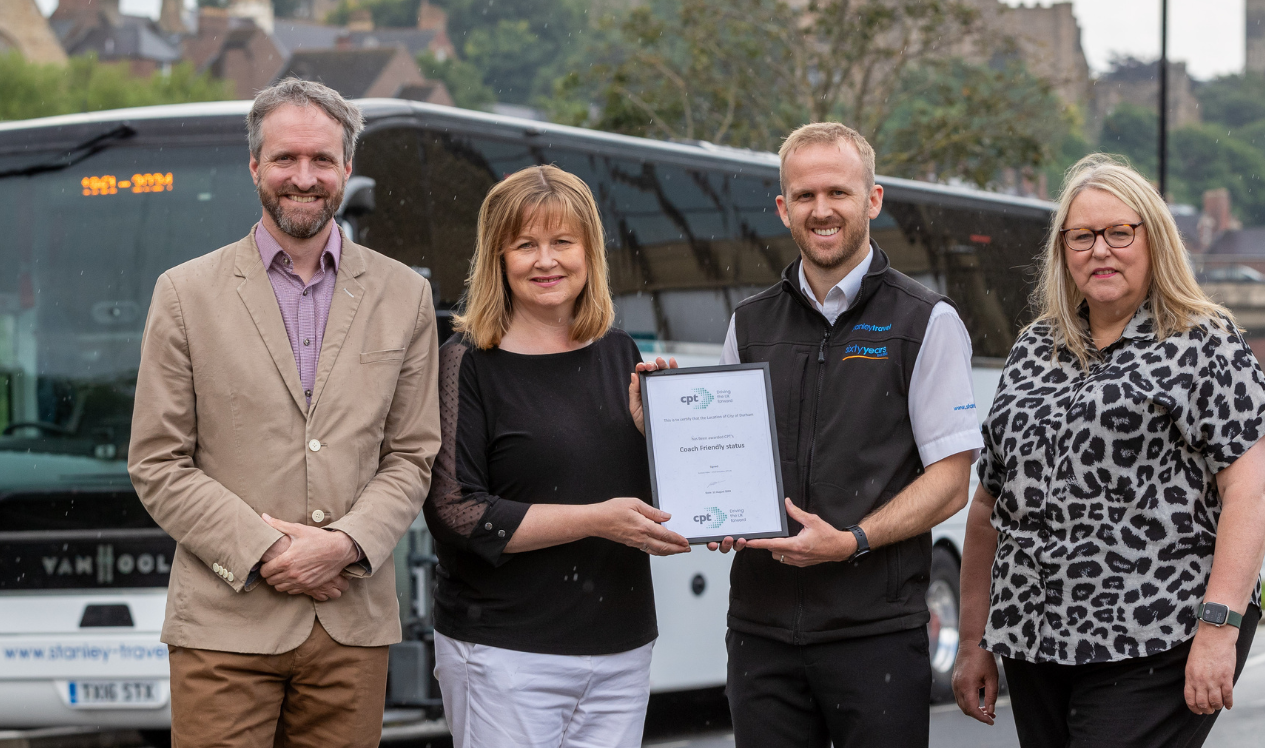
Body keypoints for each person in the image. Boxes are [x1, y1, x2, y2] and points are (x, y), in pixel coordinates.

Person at [128, 78, 439, 747]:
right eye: (285, 159)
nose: (304, 177)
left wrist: (345, 547)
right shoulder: (184, 294)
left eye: (322, 160)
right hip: (223, 624)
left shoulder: (405, 296)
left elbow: (413, 455)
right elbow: (157, 461)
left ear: (347, 168)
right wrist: (269, 551)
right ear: (254, 167)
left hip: (350, 625)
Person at [952, 154, 1265, 747]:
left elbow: (1252, 491)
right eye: (1081, 236)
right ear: (1062, 250)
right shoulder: (1034, 347)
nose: (1099, 250)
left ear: (1152, 240)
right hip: (1037, 637)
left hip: (1158, 629)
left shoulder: (1202, 340)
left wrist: (1219, 629)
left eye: (1118, 233)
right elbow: (989, 507)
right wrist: (973, 641)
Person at [707, 122, 981, 747]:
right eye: (804, 196)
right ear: (783, 209)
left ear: (873, 200)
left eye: (839, 192)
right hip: (761, 634)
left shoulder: (925, 321)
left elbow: (950, 483)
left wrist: (853, 540)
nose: (821, 210)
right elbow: (719, 451)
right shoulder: (748, 325)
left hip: (875, 635)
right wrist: (703, 495)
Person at [425, 164, 692, 748]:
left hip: (621, 647)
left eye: (562, 242)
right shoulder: (465, 363)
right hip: (505, 653)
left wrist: (662, 436)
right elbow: (457, 513)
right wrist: (597, 520)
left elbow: (654, 503)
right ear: (498, 257)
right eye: (526, 245)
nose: (546, 261)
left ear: (589, 252)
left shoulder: (623, 351)